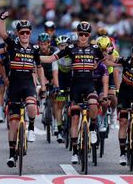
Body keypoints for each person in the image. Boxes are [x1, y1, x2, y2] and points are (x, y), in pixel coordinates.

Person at [40, 21, 114, 164]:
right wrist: (33, 56)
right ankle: (74, 152)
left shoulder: (94, 48)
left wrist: (113, 58)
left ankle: (92, 128)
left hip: (89, 85)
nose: (83, 37)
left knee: (93, 105)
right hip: (75, 87)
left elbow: (107, 61)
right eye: (81, 34)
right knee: (74, 118)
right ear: (77, 34)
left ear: (89, 35)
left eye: (86, 34)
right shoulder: (70, 48)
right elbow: (50, 58)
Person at [0, 11, 47, 167]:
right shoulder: (13, 45)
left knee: (32, 106)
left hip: (28, 85)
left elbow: (39, 68)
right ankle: (12, 155)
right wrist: (2, 19)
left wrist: (43, 86)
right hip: (14, 86)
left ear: (30, 33)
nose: (25, 34)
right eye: (22, 32)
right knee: (13, 123)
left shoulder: (35, 49)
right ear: (18, 33)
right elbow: (3, 33)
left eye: (27, 32)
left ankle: (31, 127)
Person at [38, 33, 60, 135]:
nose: (43, 46)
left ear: (49, 44)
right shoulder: (36, 51)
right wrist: (41, 79)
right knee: (38, 87)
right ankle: (41, 101)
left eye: (45, 44)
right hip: (40, 73)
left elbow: (57, 66)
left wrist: (53, 80)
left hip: (53, 73)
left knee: (54, 99)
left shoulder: (55, 50)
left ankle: (56, 123)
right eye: (41, 44)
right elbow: (34, 67)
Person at [54, 35, 72, 143]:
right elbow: (55, 73)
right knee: (59, 103)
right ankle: (59, 128)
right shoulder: (56, 55)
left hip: (71, 76)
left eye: (65, 45)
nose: (63, 47)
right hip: (60, 77)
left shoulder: (72, 54)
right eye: (61, 45)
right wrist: (58, 88)